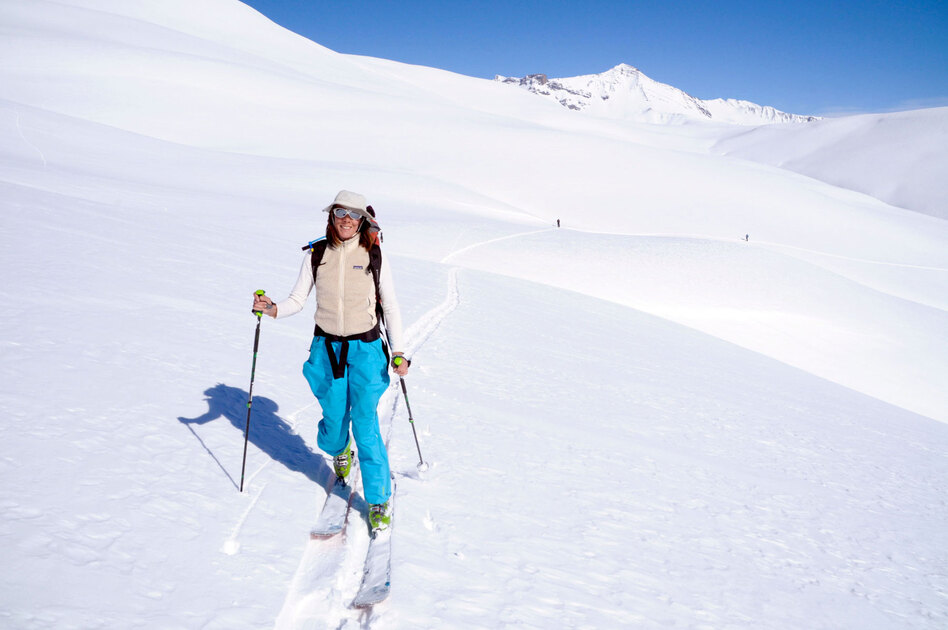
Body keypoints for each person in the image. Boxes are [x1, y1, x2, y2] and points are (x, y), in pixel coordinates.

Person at [252, 190, 408, 532]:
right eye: (341, 212)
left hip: (366, 351)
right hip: (327, 349)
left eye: (353, 214)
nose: (347, 219)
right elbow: (297, 299)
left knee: (365, 423)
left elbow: (391, 305)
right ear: (332, 216)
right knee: (334, 424)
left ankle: (379, 500)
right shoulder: (316, 253)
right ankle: (340, 450)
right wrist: (273, 309)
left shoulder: (374, 254)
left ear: (362, 220)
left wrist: (398, 351)